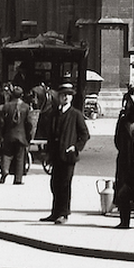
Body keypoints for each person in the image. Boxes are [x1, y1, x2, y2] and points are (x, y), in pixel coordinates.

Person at [40, 82, 89, 224]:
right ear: (59, 97)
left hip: (68, 156)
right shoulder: (54, 114)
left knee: (65, 185)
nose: (66, 97)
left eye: (68, 95)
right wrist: (48, 153)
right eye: (63, 95)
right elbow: (50, 134)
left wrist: (76, 147)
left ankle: (64, 213)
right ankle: (55, 212)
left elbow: (84, 134)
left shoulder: (76, 115)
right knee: (54, 184)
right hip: (56, 155)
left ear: (71, 98)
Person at [111, 91, 134, 227]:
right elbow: (117, 140)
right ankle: (124, 221)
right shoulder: (123, 121)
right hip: (125, 162)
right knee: (123, 192)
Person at [0, 85, 32, 185]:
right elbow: (29, 123)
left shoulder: (6, 106)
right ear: (22, 95)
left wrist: (2, 134)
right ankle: (18, 179)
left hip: (9, 135)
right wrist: (28, 136)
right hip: (21, 136)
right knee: (20, 157)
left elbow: (2, 122)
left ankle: (5, 170)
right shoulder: (26, 107)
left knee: (7, 154)